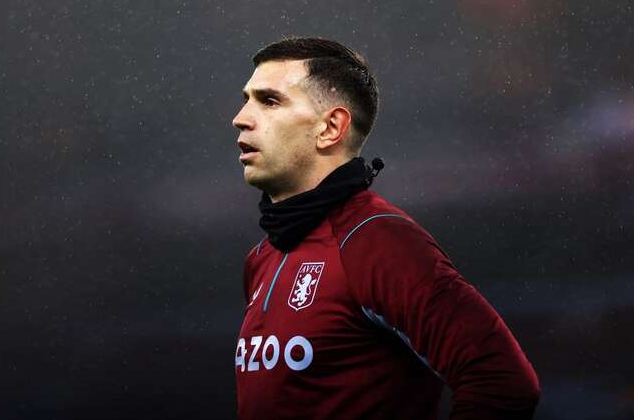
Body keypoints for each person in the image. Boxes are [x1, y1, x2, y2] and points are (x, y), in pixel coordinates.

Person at [231, 36, 541, 420]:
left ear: (331, 127)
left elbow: (502, 382)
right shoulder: (261, 258)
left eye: (269, 101)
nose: (241, 117)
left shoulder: (377, 240)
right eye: (247, 99)